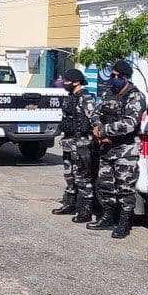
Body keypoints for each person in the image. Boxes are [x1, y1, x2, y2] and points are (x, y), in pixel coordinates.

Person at [87, 60, 147, 239]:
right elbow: (94, 114)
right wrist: (98, 129)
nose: (114, 78)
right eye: (112, 75)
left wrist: (105, 131)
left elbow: (130, 123)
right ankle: (107, 217)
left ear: (126, 77)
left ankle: (124, 222)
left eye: (117, 76)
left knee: (125, 187)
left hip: (125, 150)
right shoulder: (108, 93)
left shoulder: (136, 96)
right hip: (107, 148)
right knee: (105, 185)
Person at [52, 69, 97, 223]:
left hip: (81, 143)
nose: (64, 83)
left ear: (76, 82)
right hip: (68, 141)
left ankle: (85, 210)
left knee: (82, 177)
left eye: (67, 81)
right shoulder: (70, 97)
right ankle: (70, 204)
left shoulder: (86, 98)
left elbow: (94, 119)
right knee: (69, 175)